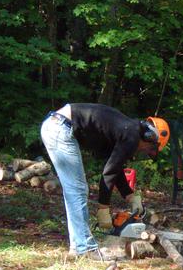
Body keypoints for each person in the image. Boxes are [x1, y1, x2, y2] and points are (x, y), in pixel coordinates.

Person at [40, 103, 169, 261]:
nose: (145, 151)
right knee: (77, 189)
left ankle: (81, 246)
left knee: (76, 189)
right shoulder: (132, 135)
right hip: (60, 127)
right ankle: (83, 248)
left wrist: (130, 196)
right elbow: (109, 173)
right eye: (149, 149)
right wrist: (103, 208)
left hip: (57, 125)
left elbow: (114, 168)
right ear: (150, 137)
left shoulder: (125, 129)